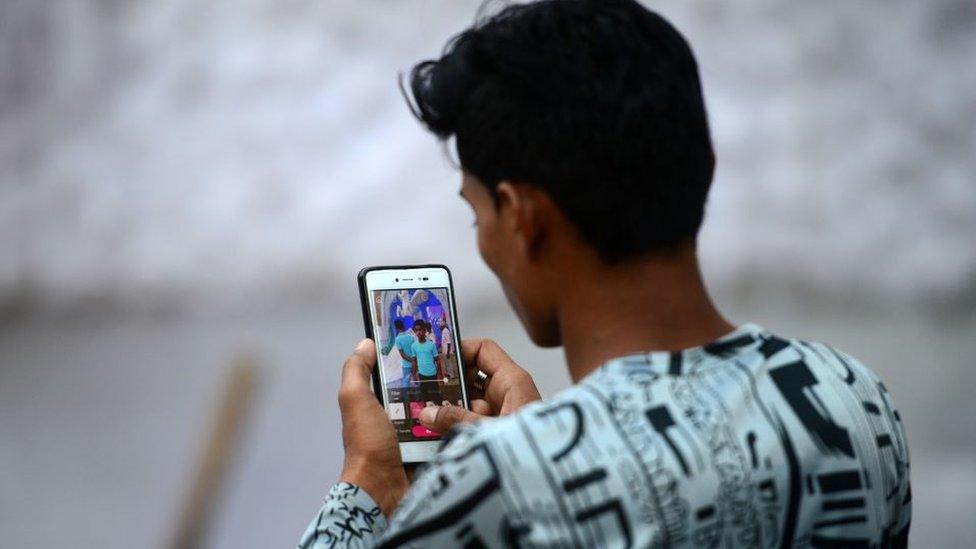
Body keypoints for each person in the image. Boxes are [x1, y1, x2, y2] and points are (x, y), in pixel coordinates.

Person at [299, 1, 911, 547]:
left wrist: (369, 487)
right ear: (703, 166)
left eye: (477, 213)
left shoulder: (498, 490)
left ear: (522, 218)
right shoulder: (853, 396)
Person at [391, 319, 415, 388]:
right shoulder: (411, 336)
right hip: (415, 363)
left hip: (406, 364)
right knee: (416, 381)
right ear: (403, 326)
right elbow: (414, 350)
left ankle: (407, 397)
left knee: (406, 382)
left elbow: (402, 355)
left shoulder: (398, 339)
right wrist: (413, 361)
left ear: (396, 328)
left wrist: (410, 360)